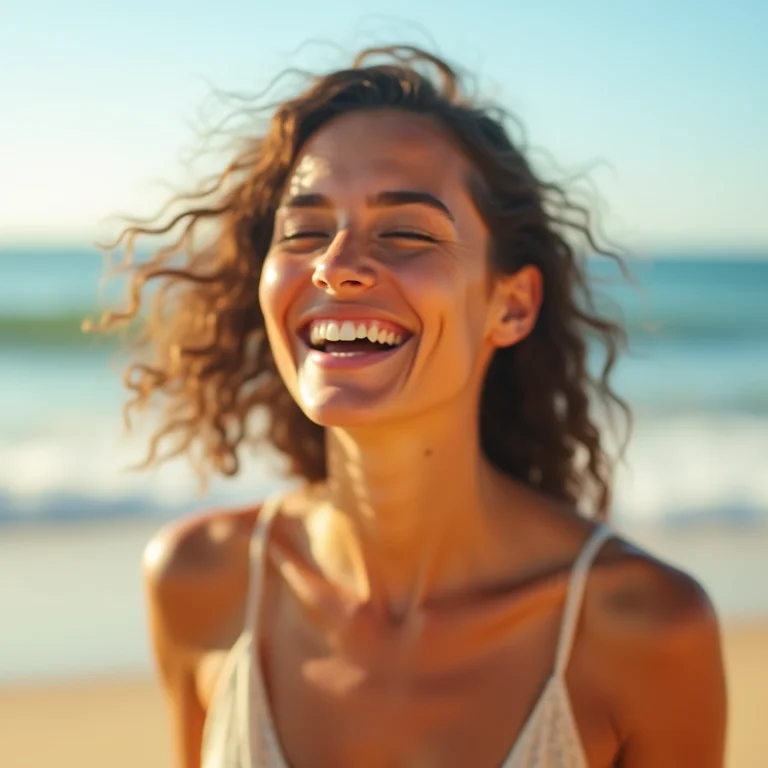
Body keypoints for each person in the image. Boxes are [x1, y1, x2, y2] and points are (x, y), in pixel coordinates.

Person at [96, 46, 727, 767]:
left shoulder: (642, 632)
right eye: (303, 232)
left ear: (511, 304)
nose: (335, 264)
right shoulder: (200, 583)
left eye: (406, 233)